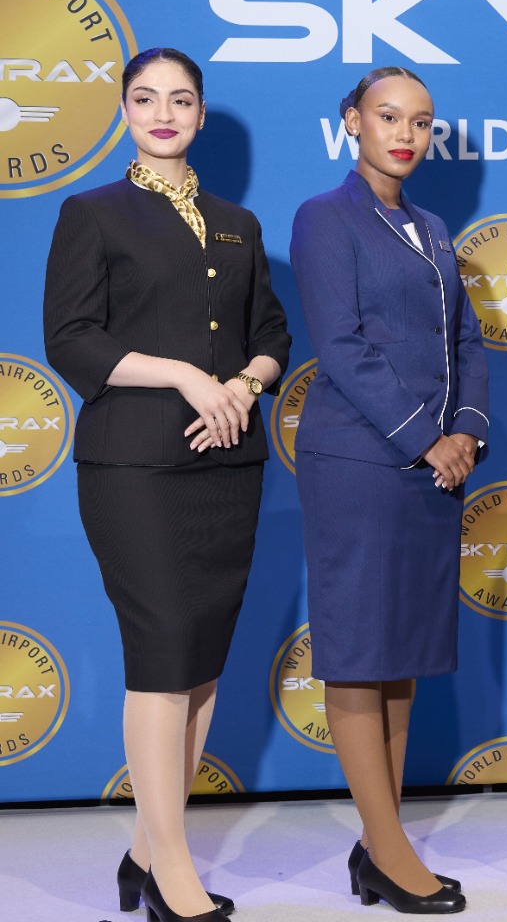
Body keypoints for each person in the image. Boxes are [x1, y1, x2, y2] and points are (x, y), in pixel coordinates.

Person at [42, 47, 290, 922]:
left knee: (200, 665)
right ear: (122, 110)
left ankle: (147, 853)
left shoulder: (237, 223)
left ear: (200, 113)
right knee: (161, 655)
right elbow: (71, 338)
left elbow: (271, 334)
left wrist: (244, 387)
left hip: (229, 463)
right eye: (145, 98)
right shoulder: (92, 212)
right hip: (136, 468)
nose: (163, 113)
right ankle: (172, 871)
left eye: (180, 100)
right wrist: (186, 376)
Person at [290, 66, 486, 915]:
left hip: (433, 470)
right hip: (360, 465)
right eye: (389, 117)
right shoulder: (324, 217)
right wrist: (425, 439)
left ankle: (379, 846)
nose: (406, 134)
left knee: (401, 655)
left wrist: (467, 431)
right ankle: (391, 849)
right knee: (360, 653)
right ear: (352, 122)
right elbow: (341, 344)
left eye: (421, 121)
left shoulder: (433, 228)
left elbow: (467, 341)